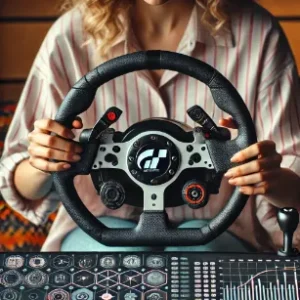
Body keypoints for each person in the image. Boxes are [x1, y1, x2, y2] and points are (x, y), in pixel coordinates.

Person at [0, 0, 300, 252]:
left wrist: (268, 176)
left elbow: (293, 187)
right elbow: (20, 188)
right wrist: (43, 162)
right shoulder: (69, 35)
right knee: (117, 253)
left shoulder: (258, 33)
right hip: (97, 229)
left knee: (199, 253)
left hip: (226, 232)